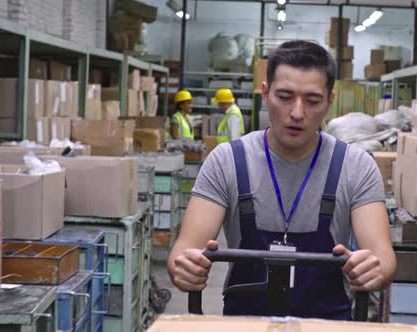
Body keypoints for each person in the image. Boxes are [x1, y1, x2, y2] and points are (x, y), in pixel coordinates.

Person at [168, 40, 396, 320]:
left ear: (329, 102)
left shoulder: (356, 166)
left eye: (312, 101)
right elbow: (183, 249)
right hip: (244, 324)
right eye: (285, 97)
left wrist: (375, 270)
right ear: (265, 94)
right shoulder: (227, 161)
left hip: (327, 324)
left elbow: (383, 257)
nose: (297, 113)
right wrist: (185, 266)